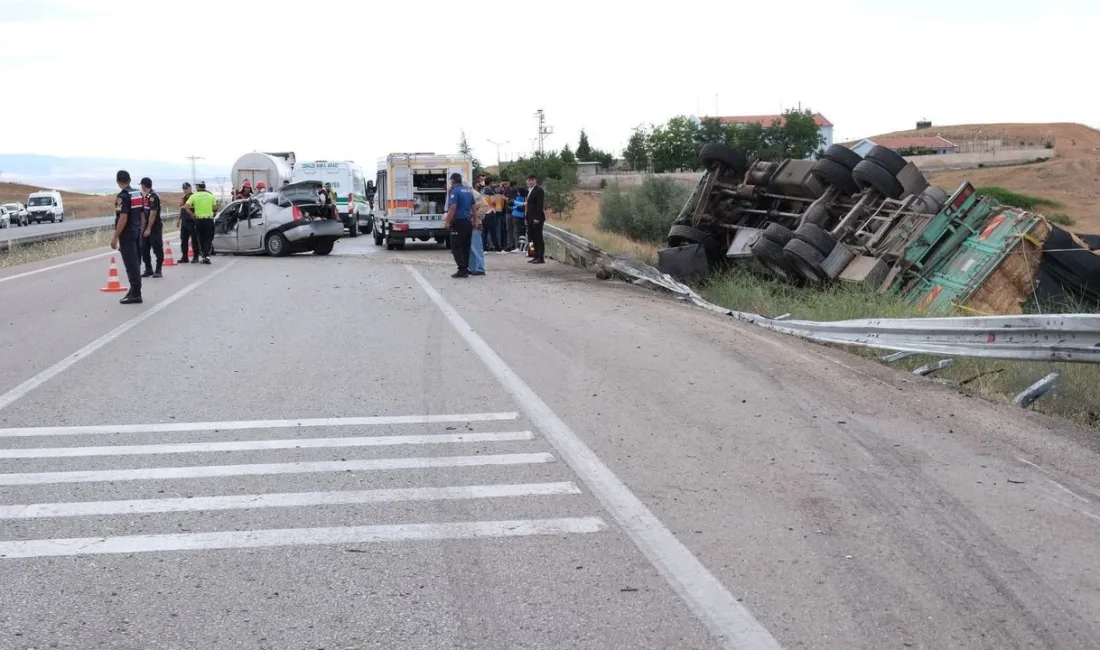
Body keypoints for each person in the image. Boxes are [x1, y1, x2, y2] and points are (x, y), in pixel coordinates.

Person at [111, 170, 145, 304]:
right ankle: (133, 289)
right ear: (129, 180)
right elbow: (142, 214)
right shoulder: (137, 193)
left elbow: (123, 217)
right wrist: (141, 228)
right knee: (135, 261)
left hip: (127, 234)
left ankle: (136, 293)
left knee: (131, 264)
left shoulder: (122, 197)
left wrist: (115, 237)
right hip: (136, 231)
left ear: (118, 182)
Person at [444, 172, 475, 278]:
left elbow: (452, 208)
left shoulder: (455, 191)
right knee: (466, 246)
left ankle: (461, 269)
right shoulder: (468, 191)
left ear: (453, 181)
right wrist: (474, 220)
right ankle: (465, 268)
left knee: (455, 245)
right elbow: (474, 207)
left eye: (451, 181)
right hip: (468, 221)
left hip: (458, 222)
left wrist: (447, 221)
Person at [185, 180, 218, 264]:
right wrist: (212, 214)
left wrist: (192, 215)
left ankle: (204, 255)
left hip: (199, 220)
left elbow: (186, 207)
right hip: (209, 219)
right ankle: (207, 256)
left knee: (200, 238)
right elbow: (215, 209)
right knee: (208, 238)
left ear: (198, 187)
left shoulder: (194, 196)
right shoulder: (211, 196)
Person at [139, 177, 164, 278]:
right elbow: (145, 214)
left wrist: (149, 228)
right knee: (144, 248)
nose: (141, 187)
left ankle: (158, 270)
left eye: (141, 185)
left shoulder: (153, 197)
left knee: (157, 248)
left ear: (144, 186)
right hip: (146, 226)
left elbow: (153, 214)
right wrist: (143, 227)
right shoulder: (146, 197)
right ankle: (148, 269)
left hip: (155, 227)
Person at [468, 186, 490, 276]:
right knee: (471, 247)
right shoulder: (471, 193)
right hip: (471, 223)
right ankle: (472, 267)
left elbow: (484, 205)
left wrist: (476, 218)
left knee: (476, 246)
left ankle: (480, 268)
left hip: (476, 224)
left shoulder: (475, 194)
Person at [178, 182, 200, 263]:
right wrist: (178, 219)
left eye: (187, 188)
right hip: (184, 221)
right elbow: (182, 209)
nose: (185, 190)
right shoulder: (184, 197)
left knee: (194, 239)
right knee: (184, 239)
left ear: (190, 188)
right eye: (184, 189)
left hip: (191, 221)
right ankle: (184, 257)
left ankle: (196, 256)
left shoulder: (194, 197)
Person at [525, 174, 546, 264]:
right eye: (529, 180)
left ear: (535, 181)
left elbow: (539, 205)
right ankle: (535, 255)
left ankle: (540, 257)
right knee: (532, 237)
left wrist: (537, 217)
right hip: (530, 217)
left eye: (532, 180)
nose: (531, 182)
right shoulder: (529, 190)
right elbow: (528, 205)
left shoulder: (539, 190)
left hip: (537, 217)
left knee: (538, 237)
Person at [510, 187, 527, 253]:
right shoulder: (525, 198)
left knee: (516, 231)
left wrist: (514, 205)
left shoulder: (518, 198)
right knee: (522, 232)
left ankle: (517, 246)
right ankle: (522, 247)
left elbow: (519, 206)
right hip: (522, 216)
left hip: (516, 215)